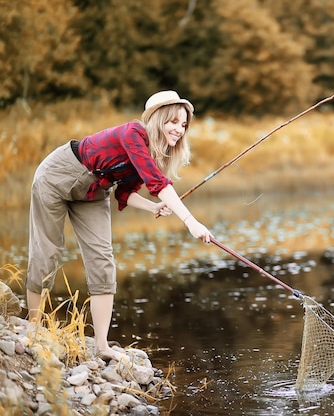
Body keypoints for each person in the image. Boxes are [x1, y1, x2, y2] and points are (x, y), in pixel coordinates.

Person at [26, 90, 213, 361]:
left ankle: (102, 346)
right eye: (173, 122)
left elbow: (123, 194)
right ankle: (33, 330)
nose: (179, 130)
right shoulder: (133, 134)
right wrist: (190, 221)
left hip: (94, 191)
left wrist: (153, 207)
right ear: (157, 119)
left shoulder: (153, 155)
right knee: (48, 251)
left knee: (103, 260)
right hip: (58, 175)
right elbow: (157, 183)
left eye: (183, 125)